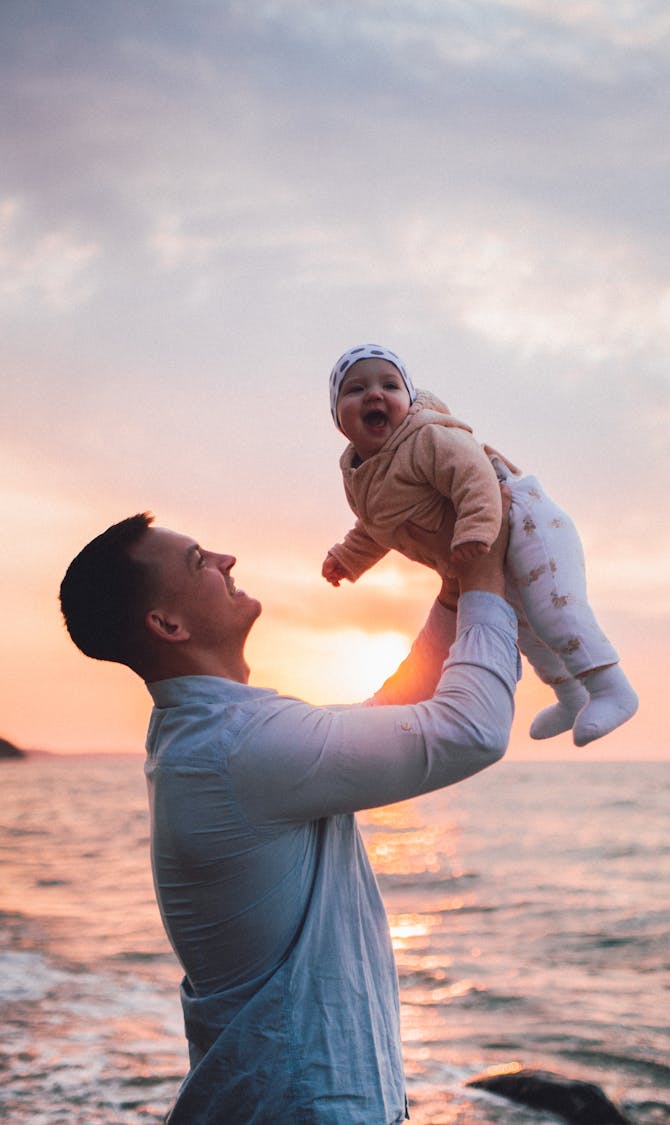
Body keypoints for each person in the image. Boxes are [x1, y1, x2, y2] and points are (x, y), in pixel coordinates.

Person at [59, 501, 519, 1124]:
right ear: (167, 623)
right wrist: (488, 583)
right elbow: (471, 732)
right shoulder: (238, 747)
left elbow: (390, 712)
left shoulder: (212, 739)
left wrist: (454, 593)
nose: (226, 559)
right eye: (199, 561)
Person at [323, 343, 638, 747]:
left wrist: (474, 529)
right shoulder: (362, 475)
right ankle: (571, 695)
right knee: (526, 630)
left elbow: (475, 477)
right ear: (338, 419)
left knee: (553, 610)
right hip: (488, 547)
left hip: (523, 519)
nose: (374, 394)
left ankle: (612, 687)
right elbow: (373, 525)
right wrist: (347, 559)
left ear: (410, 398)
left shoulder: (427, 438)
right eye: (355, 390)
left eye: (390, 384)